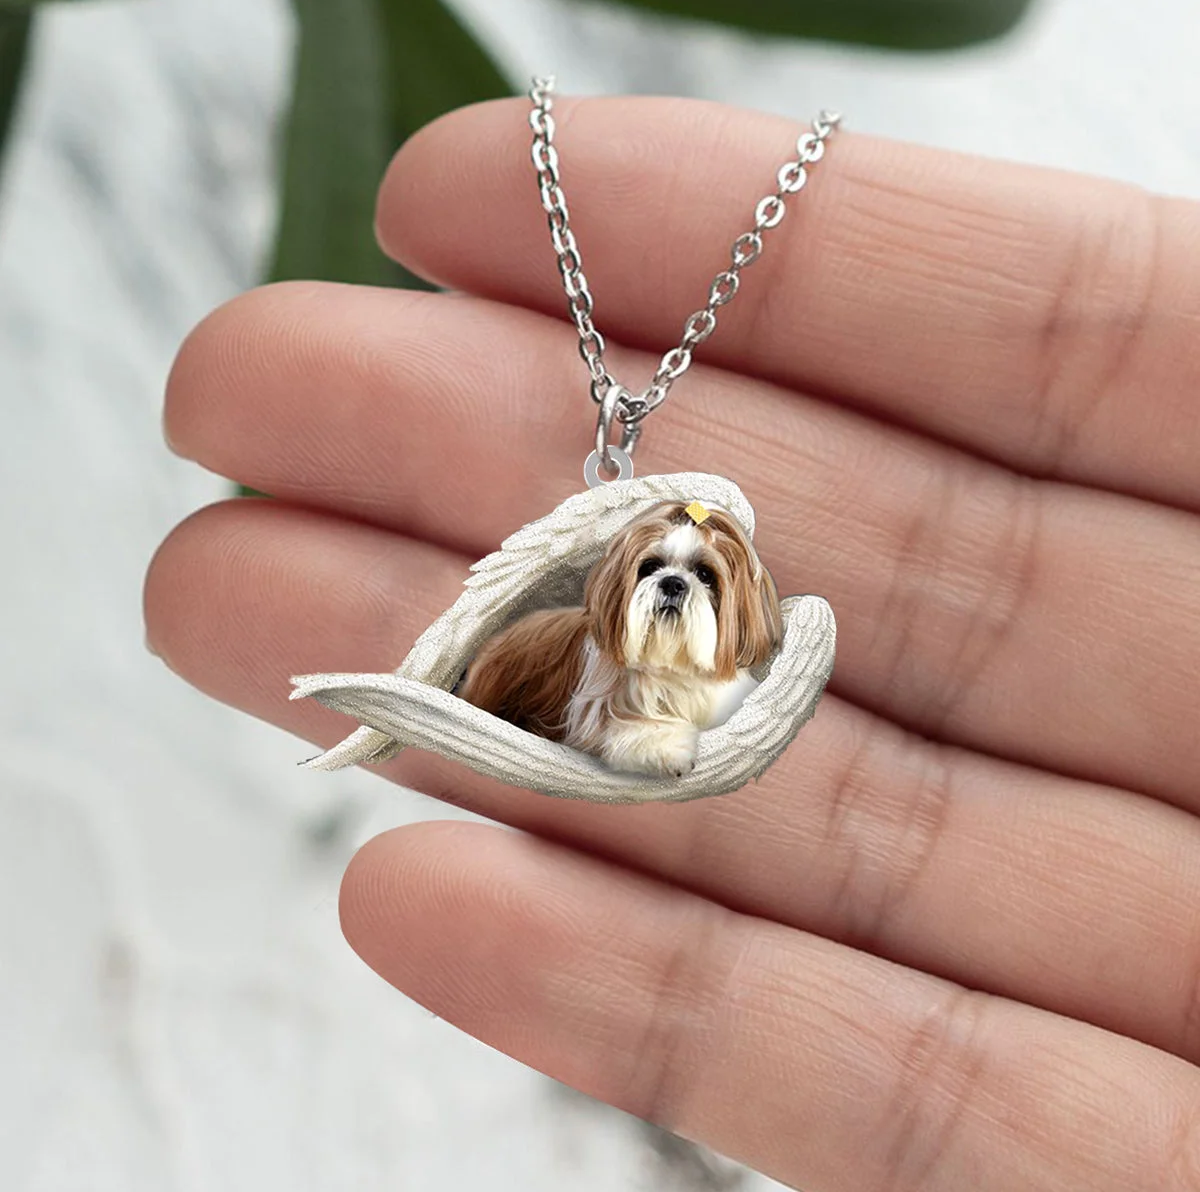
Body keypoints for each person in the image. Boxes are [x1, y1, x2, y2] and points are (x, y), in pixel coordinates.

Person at [144, 97, 1200, 1191]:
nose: (671, 586)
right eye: (653, 571)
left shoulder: (733, 681)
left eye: (696, 580)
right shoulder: (567, 652)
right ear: (615, 587)